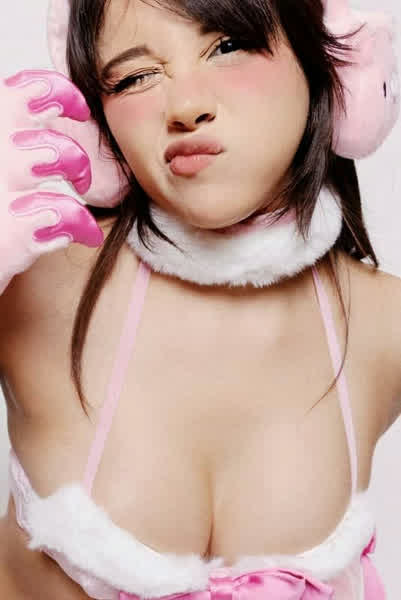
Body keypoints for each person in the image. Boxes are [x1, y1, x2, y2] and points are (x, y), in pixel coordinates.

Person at [0, 0, 400, 598]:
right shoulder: (32, 287)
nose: (186, 107)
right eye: (135, 77)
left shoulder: (384, 323)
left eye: (227, 46)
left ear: (334, 70)